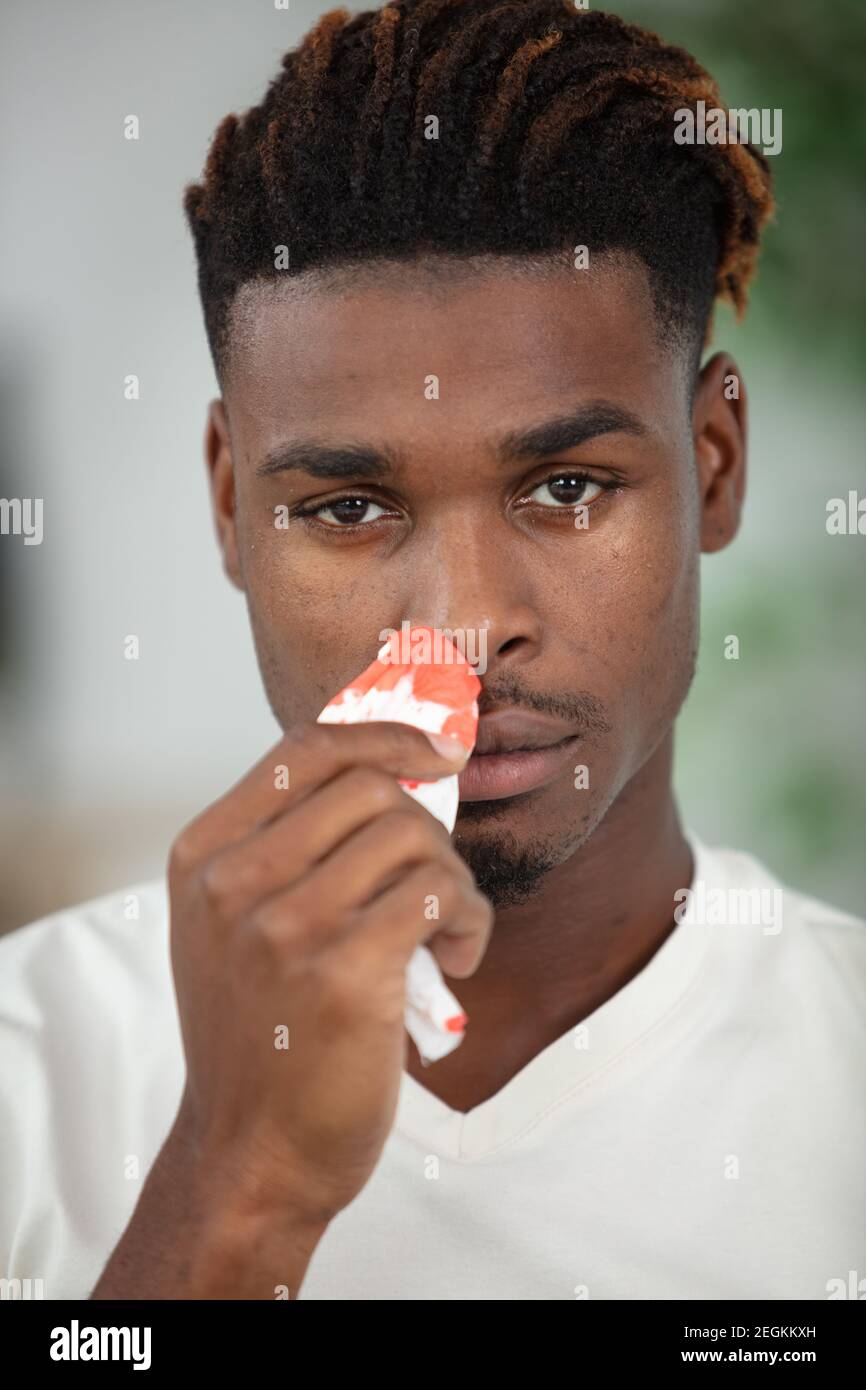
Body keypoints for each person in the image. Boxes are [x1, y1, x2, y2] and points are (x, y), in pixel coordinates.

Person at [1, 0, 863, 1302]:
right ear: (230, 502)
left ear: (712, 464)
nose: (459, 624)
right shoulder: (24, 1065)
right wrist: (236, 1191)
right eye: (347, 508)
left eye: (566, 488)